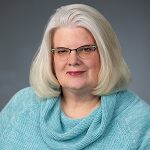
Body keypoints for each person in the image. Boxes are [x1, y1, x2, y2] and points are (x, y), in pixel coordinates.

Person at [0, 4, 150, 150]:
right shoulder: (21, 106)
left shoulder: (139, 123)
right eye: (62, 51)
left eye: (86, 49)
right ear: (51, 58)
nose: (73, 61)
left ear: (106, 54)